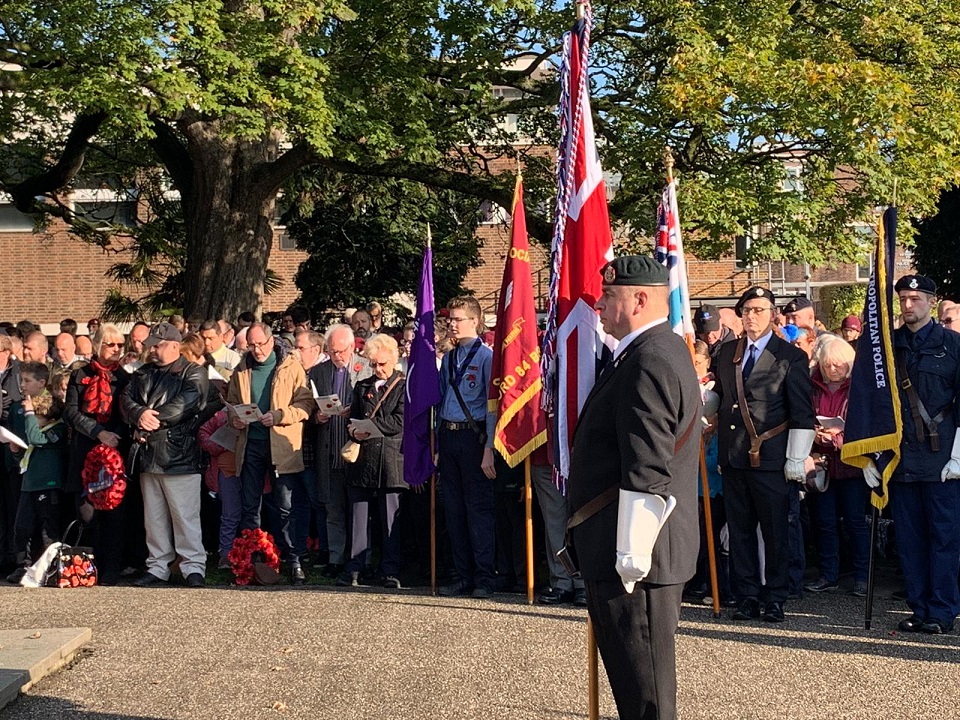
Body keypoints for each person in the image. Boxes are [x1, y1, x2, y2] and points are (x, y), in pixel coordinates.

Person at [567, 256, 701, 720]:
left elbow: (648, 463)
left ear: (640, 299)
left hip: (638, 553)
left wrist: (631, 551)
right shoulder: (651, 349)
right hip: (627, 544)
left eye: (609, 297)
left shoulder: (651, 357)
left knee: (647, 694)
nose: (600, 305)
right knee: (635, 686)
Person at [713, 286, 816, 623]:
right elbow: (721, 397)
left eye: (759, 310)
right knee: (740, 532)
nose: (751, 316)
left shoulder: (790, 357)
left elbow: (802, 412)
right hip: (734, 458)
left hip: (771, 458)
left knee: (775, 533)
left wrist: (796, 457)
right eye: (747, 310)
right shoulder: (727, 352)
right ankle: (746, 596)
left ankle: (775, 597)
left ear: (772, 314)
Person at [865, 275, 960, 634]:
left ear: (932, 303)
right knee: (910, 540)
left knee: (945, 538)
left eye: (916, 298)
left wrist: (959, 456)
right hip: (901, 459)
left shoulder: (953, 346)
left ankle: (942, 610)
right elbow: (871, 404)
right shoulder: (886, 348)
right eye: (903, 298)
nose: (908, 305)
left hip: (942, 460)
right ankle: (920, 608)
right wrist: (873, 455)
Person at [120, 322, 210, 588]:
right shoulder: (143, 373)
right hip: (149, 451)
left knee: (185, 516)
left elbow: (187, 404)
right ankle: (157, 565)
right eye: (151, 346)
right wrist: (139, 415)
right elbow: (125, 401)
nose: (152, 351)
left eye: (158, 346)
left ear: (174, 345)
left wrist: (148, 417)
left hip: (178, 453)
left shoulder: (194, 372)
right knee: (154, 517)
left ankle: (193, 566)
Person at [226, 322, 314, 584]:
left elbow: (305, 403)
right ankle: (252, 560)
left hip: (282, 446)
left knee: (286, 507)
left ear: (271, 340)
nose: (256, 350)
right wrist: (236, 419)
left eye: (260, 344)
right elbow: (231, 404)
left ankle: (295, 560)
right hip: (250, 444)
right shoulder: (242, 368)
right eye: (251, 345)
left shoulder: (290, 365)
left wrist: (279, 415)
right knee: (250, 506)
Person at [436, 296, 497, 599]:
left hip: (474, 440)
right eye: (450, 319)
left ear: (475, 321)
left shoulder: (485, 357)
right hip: (449, 437)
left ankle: (484, 577)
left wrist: (490, 448)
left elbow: (492, 406)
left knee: (478, 509)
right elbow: (442, 401)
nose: (452, 324)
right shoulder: (449, 358)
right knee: (454, 510)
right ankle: (462, 575)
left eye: (458, 319)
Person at [62, 324, 132, 585]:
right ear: (98, 345)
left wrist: (113, 436)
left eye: (120, 345)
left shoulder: (125, 379)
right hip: (85, 448)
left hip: (114, 451)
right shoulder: (80, 375)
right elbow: (71, 411)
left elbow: (128, 414)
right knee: (86, 512)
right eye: (110, 344)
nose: (115, 350)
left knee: (114, 511)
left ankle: (112, 567)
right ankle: (86, 566)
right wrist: (97, 432)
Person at [337, 334, 407, 588]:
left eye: (382, 364)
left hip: (390, 458)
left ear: (393, 359)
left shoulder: (403, 385)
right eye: (374, 364)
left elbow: (400, 421)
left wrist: (372, 426)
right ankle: (355, 566)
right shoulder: (363, 386)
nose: (378, 369)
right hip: (364, 458)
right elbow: (353, 417)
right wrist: (354, 430)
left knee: (390, 517)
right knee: (358, 515)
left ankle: (390, 569)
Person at [805, 338, 869, 596]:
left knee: (855, 521)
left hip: (851, 462)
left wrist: (840, 438)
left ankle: (863, 576)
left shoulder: (859, 388)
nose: (833, 370)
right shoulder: (812, 386)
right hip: (823, 462)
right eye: (828, 365)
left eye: (839, 365)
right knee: (825, 521)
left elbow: (865, 422)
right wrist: (815, 435)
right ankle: (828, 574)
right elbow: (804, 416)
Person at [306, 324, 372, 577]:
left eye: (341, 351)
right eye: (332, 352)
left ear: (353, 346)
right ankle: (335, 557)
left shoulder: (365, 368)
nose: (337, 356)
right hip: (329, 449)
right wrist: (317, 416)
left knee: (359, 510)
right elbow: (309, 407)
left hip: (356, 451)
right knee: (332, 509)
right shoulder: (319, 372)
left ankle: (361, 560)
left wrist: (353, 412)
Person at [5, 390, 68, 584]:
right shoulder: (37, 429)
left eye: (36, 416)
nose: (32, 420)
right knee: (22, 527)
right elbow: (27, 456)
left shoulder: (57, 429)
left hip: (48, 485)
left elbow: (36, 439)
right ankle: (23, 564)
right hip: (29, 485)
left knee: (47, 529)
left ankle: (50, 566)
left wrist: (30, 414)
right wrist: (15, 450)